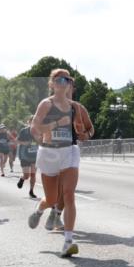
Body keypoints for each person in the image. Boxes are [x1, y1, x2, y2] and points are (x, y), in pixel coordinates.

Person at [27, 68, 95, 257]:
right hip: (49, 152)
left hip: (69, 151)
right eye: (58, 79)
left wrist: (83, 134)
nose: (62, 82)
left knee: (69, 195)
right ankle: (40, 209)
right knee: (52, 199)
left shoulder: (76, 108)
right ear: (51, 84)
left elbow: (89, 132)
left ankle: (67, 241)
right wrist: (56, 124)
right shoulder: (46, 104)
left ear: (70, 84)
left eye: (66, 79)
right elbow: (35, 127)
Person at [16, 116, 40, 199]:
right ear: (28, 122)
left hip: (35, 156)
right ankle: (22, 179)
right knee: (27, 176)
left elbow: (42, 141)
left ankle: (31, 191)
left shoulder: (38, 131)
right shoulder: (24, 131)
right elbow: (17, 141)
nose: (33, 123)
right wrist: (24, 143)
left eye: (34, 121)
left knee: (33, 175)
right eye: (31, 121)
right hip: (25, 156)